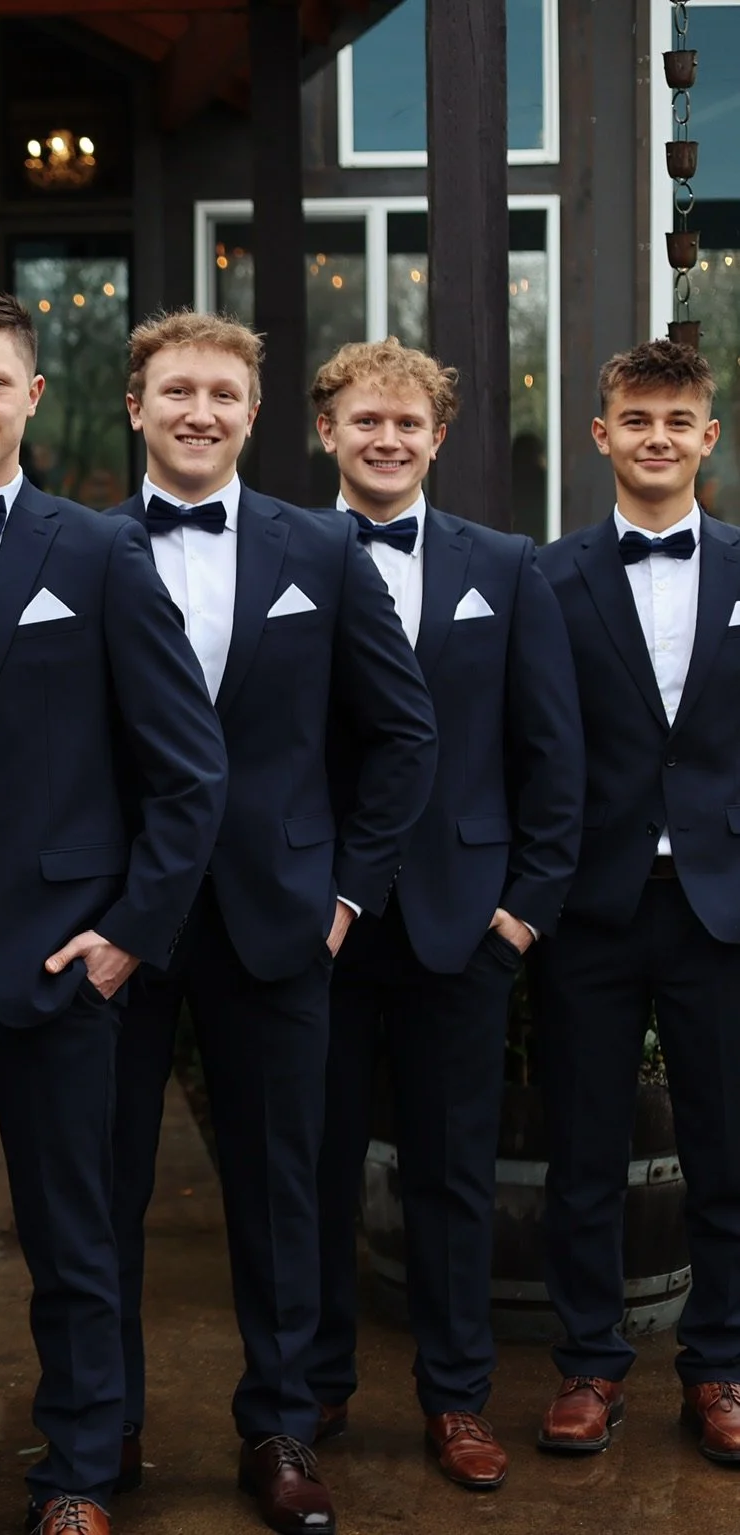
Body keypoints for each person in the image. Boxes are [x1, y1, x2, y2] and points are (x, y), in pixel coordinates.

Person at [0, 292, 226, 1535]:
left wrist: (130, 931)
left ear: (30, 396)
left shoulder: (100, 552)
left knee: (75, 1235)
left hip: (62, 956)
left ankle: (75, 1472)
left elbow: (189, 768)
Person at [104, 311, 436, 1535]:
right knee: (99, 1184)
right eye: (175, 390)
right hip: (118, 920)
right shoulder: (81, 548)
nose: (198, 411)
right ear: (135, 406)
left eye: (221, 394)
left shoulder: (325, 548)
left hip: (281, 920)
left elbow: (402, 733)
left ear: (253, 414)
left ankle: (282, 1424)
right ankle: (102, 1421)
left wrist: (346, 895)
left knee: (282, 1186)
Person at [304, 340, 583, 1489]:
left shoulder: (504, 566)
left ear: (437, 437)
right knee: (311, 1167)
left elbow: (551, 751)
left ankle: (457, 1395)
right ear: (325, 430)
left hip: (463, 922)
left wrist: (522, 910)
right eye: (365, 419)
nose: (386, 438)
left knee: (454, 1172)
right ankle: (312, 1385)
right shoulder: (283, 551)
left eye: (406, 422)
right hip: (316, 920)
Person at [532, 338, 740, 1467]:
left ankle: (720, 1366)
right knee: (582, 1152)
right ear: (601, 433)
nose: (657, 437)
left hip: (722, 907)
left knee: (727, 1150)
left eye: (677, 419)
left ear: (707, 437)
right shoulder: (548, 576)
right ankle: (589, 1365)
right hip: (591, 904)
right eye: (636, 418)